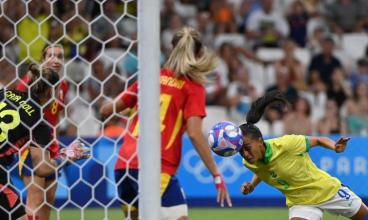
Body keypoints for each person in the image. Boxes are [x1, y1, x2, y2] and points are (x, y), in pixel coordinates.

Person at [100, 27, 232, 220]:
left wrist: (133, 109)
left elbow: (106, 110)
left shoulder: (149, 78)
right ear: (198, 54)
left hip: (124, 165)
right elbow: (195, 134)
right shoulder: (193, 87)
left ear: (171, 50)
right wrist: (216, 174)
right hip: (156, 166)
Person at [237, 91, 368, 220]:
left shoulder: (287, 144)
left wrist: (334, 146)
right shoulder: (249, 161)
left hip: (326, 190)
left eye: (247, 148)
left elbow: (318, 140)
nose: (245, 154)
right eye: (241, 150)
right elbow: (262, 170)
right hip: (301, 202)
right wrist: (252, 185)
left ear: (260, 140)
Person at [0, 65, 87, 220]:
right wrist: (67, 156)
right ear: (50, 92)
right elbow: (42, 168)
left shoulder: (6, 93)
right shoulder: (39, 120)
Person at [15, 44, 68, 220]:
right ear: (43, 59)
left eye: (60, 56)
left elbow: (56, 116)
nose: (55, 60)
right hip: (31, 146)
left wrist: (56, 144)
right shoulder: (27, 83)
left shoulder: (63, 86)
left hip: (50, 145)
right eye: (51, 55)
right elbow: (15, 110)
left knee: (47, 201)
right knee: (35, 199)